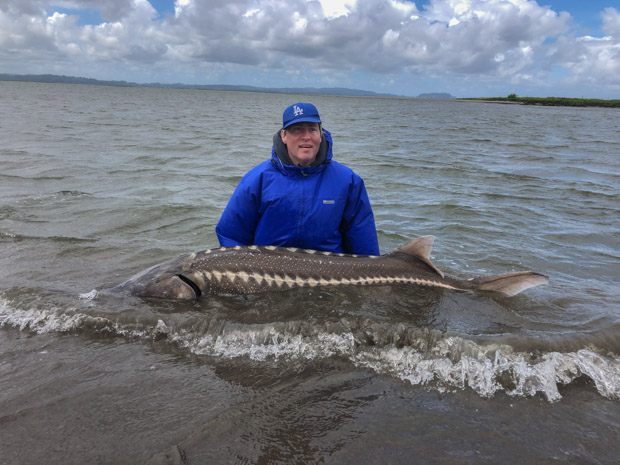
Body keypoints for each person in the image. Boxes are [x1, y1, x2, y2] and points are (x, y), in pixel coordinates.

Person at [215, 102, 380, 255]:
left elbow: (364, 241)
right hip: (268, 273)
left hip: (330, 275)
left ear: (320, 135)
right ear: (284, 136)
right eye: (297, 129)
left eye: (312, 129)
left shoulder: (349, 181)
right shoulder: (257, 179)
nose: (306, 136)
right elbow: (231, 234)